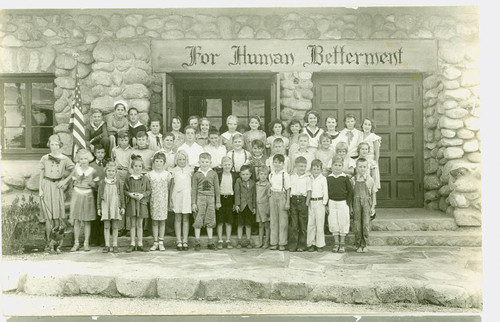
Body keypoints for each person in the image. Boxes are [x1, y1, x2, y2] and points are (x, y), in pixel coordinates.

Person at [39, 134, 75, 250]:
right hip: (46, 185)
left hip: (57, 187)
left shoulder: (64, 158)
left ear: (60, 145)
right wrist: (40, 189)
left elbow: (74, 169)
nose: (54, 147)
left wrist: (65, 181)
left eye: (56, 144)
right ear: (49, 145)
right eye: (52, 144)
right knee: (48, 217)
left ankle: (57, 243)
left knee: (57, 216)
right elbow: (41, 174)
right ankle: (48, 243)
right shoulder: (45, 158)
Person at [63, 149, 99, 252]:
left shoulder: (93, 171)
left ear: (89, 159)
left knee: (87, 220)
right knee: (76, 220)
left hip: (88, 195)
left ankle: (86, 242)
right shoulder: (76, 170)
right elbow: (73, 183)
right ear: (78, 160)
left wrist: (93, 185)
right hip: (77, 194)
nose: (83, 161)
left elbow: (97, 185)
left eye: (85, 158)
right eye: (81, 159)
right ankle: (76, 243)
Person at [191, 153, 221, 251]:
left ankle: (210, 242)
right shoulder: (196, 174)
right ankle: (197, 242)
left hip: (211, 198)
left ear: (210, 163)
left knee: (210, 219)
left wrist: (218, 201)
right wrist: (193, 203)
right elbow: (194, 190)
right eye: (202, 162)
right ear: (199, 162)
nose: (204, 164)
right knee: (198, 219)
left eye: (207, 162)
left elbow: (217, 189)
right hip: (200, 198)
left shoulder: (213, 173)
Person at [124, 155, 151, 252]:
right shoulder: (129, 178)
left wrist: (142, 195)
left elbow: (149, 190)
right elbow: (124, 190)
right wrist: (130, 194)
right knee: (132, 224)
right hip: (132, 203)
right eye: (135, 166)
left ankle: (140, 243)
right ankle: (132, 243)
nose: (137, 168)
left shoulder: (145, 179)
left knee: (140, 224)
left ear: (142, 167)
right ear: (132, 167)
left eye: (140, 166)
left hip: (141, 203)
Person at [97, 161, 125, 253]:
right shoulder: (102, 182)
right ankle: (107, 245)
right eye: (109, 170)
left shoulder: (118, 182)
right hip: (105, 204)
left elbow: (121, 195)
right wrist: (99, 208)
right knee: (106, 225)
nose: (111, 172)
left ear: (115, 172)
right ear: (106, 171)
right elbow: (99, 195)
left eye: (113, 171)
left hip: (115, 205)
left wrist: (122, 207)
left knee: (115, 225)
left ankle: (115, 244)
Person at [327, 156, 353, 253]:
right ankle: (336, 243)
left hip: (343, 203)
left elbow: (350, 191)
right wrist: (326, 204)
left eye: (339, 165)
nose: (337, 167)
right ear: (332, 166)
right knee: (333, 222)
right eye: (335, 165)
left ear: (342, 167)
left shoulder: (345, 178)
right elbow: (326, 192)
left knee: (343, 222)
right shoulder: (329, 178)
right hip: (332, 202)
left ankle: (342, 244)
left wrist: (348, 203)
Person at [148, 152, 173, 251]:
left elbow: (170, 188)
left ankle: (161, 242)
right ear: (153, 162)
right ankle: (155, 242)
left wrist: (169, 201)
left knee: (162, 221)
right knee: (154, 221)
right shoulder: (149, 175)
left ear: (164, 163)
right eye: (157, 161)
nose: (158, 163)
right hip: (154, 200)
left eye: (161, 161)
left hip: (163, 200)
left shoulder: (167, 175)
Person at [351, 158, 377, 253]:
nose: (362, 169)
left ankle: (364, 244)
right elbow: (350, 195)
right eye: (360, 167)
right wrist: (351, 207)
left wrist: (373, 206)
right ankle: (358, 244)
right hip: (356, 203)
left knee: (365, 224)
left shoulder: (370, 180)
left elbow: (373, 193)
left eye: (364, 167)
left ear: (367, 168)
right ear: (356, 167)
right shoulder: (353, 180)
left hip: (367, 203)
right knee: (357, 224)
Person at [170, 150, 193, 251]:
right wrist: (170, 198)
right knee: (178, 218)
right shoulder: (173, 171)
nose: (182, 161)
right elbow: (171, 186)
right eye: (179, 159)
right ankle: (179, 240)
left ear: (186, 160)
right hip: (177, 195)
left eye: (184, 159)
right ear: (176, 160)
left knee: (186, 218)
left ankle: (185, 240)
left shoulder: (190, 170)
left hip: (187, 195)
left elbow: (192, 185)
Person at [288, 156, 311, 252]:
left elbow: (309, 191)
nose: (302, 168)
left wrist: (306, 203)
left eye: (304, 166)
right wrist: (288, 201)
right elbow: (289, 189)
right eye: (300, 166)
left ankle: (302, 244)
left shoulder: (307, 178)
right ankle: (293, 244)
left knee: (302, 224)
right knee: (294, 224)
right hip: (293, 200)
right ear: (295, 167)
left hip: (303, 200)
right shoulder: (291, 177)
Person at [268, 154, 291, 251]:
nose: (277, 164)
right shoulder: (271, 174)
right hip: (273, 196)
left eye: (279, 163)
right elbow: (270, 184)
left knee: (283, 221)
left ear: (283, 164)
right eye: (275, 162)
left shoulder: (285, 175)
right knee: (273, 220)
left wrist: (287, 202)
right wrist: (269, 192)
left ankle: (282, 242)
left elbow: (288, 189)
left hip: (282, 196)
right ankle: (274, 242)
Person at [216, 156, 238, 249]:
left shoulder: (235, 176)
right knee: (220, 221)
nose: (227, 166)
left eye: (229, 164)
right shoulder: (218, 175)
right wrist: (217, 201)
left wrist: (235, 203)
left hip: (230, 198)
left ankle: (228, 240)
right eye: (225, 165)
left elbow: (236, 190)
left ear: (232, 165)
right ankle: (220, 240)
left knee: (229, 221)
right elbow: (216, 189)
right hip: (221, 198)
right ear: (222, 165)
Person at [307, 159, 328, 252]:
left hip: (320, 202)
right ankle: (311, 243)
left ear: (321, 170)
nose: (316, 171)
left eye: (317, 169)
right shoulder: (309, 178)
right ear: (311, 169)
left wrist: (324, 203)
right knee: (311, 223)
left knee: (319, 224)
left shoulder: (323, 179)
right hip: (311, 202)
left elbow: (325, 192)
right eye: (314, 169)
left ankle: (320, 244)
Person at [234, 164, 256, 249]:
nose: (245, 176)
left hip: (249, 206)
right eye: (243, 174)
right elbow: (237, 193)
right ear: (240, 174)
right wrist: (237, 204)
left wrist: (254, 207)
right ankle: (239, 241)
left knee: (248, 224)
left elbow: (254, 195)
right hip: (241, 206)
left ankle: (248, 241)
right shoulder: (238, 181)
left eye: (247, 174)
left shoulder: (252, 183)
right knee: (240, 224)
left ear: (250, 174)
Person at [89, 145, 107, 247]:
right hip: (95, 193)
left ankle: (103, 239)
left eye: (102, 152)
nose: (100, 154)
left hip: (105, 193)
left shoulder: (107, 165)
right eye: (98, 152)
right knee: (95, 215)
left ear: (104, 154)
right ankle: (94, 239)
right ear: (95, 154)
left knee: (103, 216)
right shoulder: (91, 165)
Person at [360, 118, 381, 191]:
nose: (367, 126)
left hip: (371, 160)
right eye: (365, 124)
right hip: (361, 160)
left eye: (369, 125)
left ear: (372, 127)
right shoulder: (360, 135)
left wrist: (374, 163)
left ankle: (371, 201)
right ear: (362, 125)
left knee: (371, 182)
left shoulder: (374, 137)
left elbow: (377, 152)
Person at [255, 166, 271, 248]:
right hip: (258, 207)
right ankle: (260, 242)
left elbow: (268, 197)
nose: (263, 176)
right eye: (261, 174)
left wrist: (268, 209)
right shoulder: (257, 184)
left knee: (266, 225)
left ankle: (267, 242)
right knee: (260, 225)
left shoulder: (268, 185)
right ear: (258, 175)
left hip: (265, 207)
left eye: (265, 174)